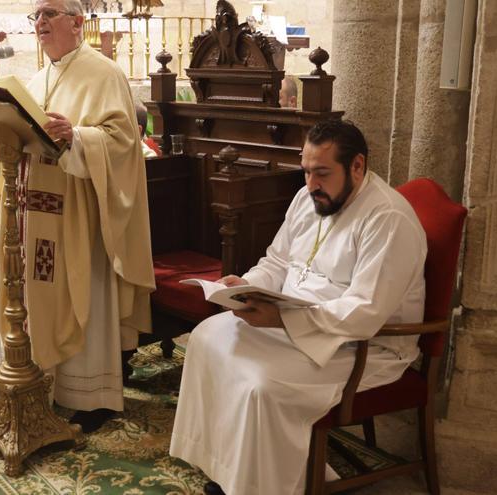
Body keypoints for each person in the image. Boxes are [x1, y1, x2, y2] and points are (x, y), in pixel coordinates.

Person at [169, 119, 427, 495]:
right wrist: (247, 285)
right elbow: (277, 261)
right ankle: (231, 473)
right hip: (295, 324)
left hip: (362, 346)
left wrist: (283, 318)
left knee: (263, 385)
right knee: (206, 337)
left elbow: (365, 312)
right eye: (306, 172)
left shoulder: (387, 219)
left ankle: (264, 486)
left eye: (322, 173)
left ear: (357, 165)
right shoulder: (309, 198)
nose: (310, 186)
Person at [2, 0, 155, 433]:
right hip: (40, 210)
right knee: (45, 297)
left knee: (85, 293)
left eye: (49, 13)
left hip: (84, 214)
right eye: (36, 16)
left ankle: (94, 396)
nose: (41, 22)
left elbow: (124, 141)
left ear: (77, 21)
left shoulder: (104, 72)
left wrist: (78, 136)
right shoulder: (36, 78)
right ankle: (48, 381)